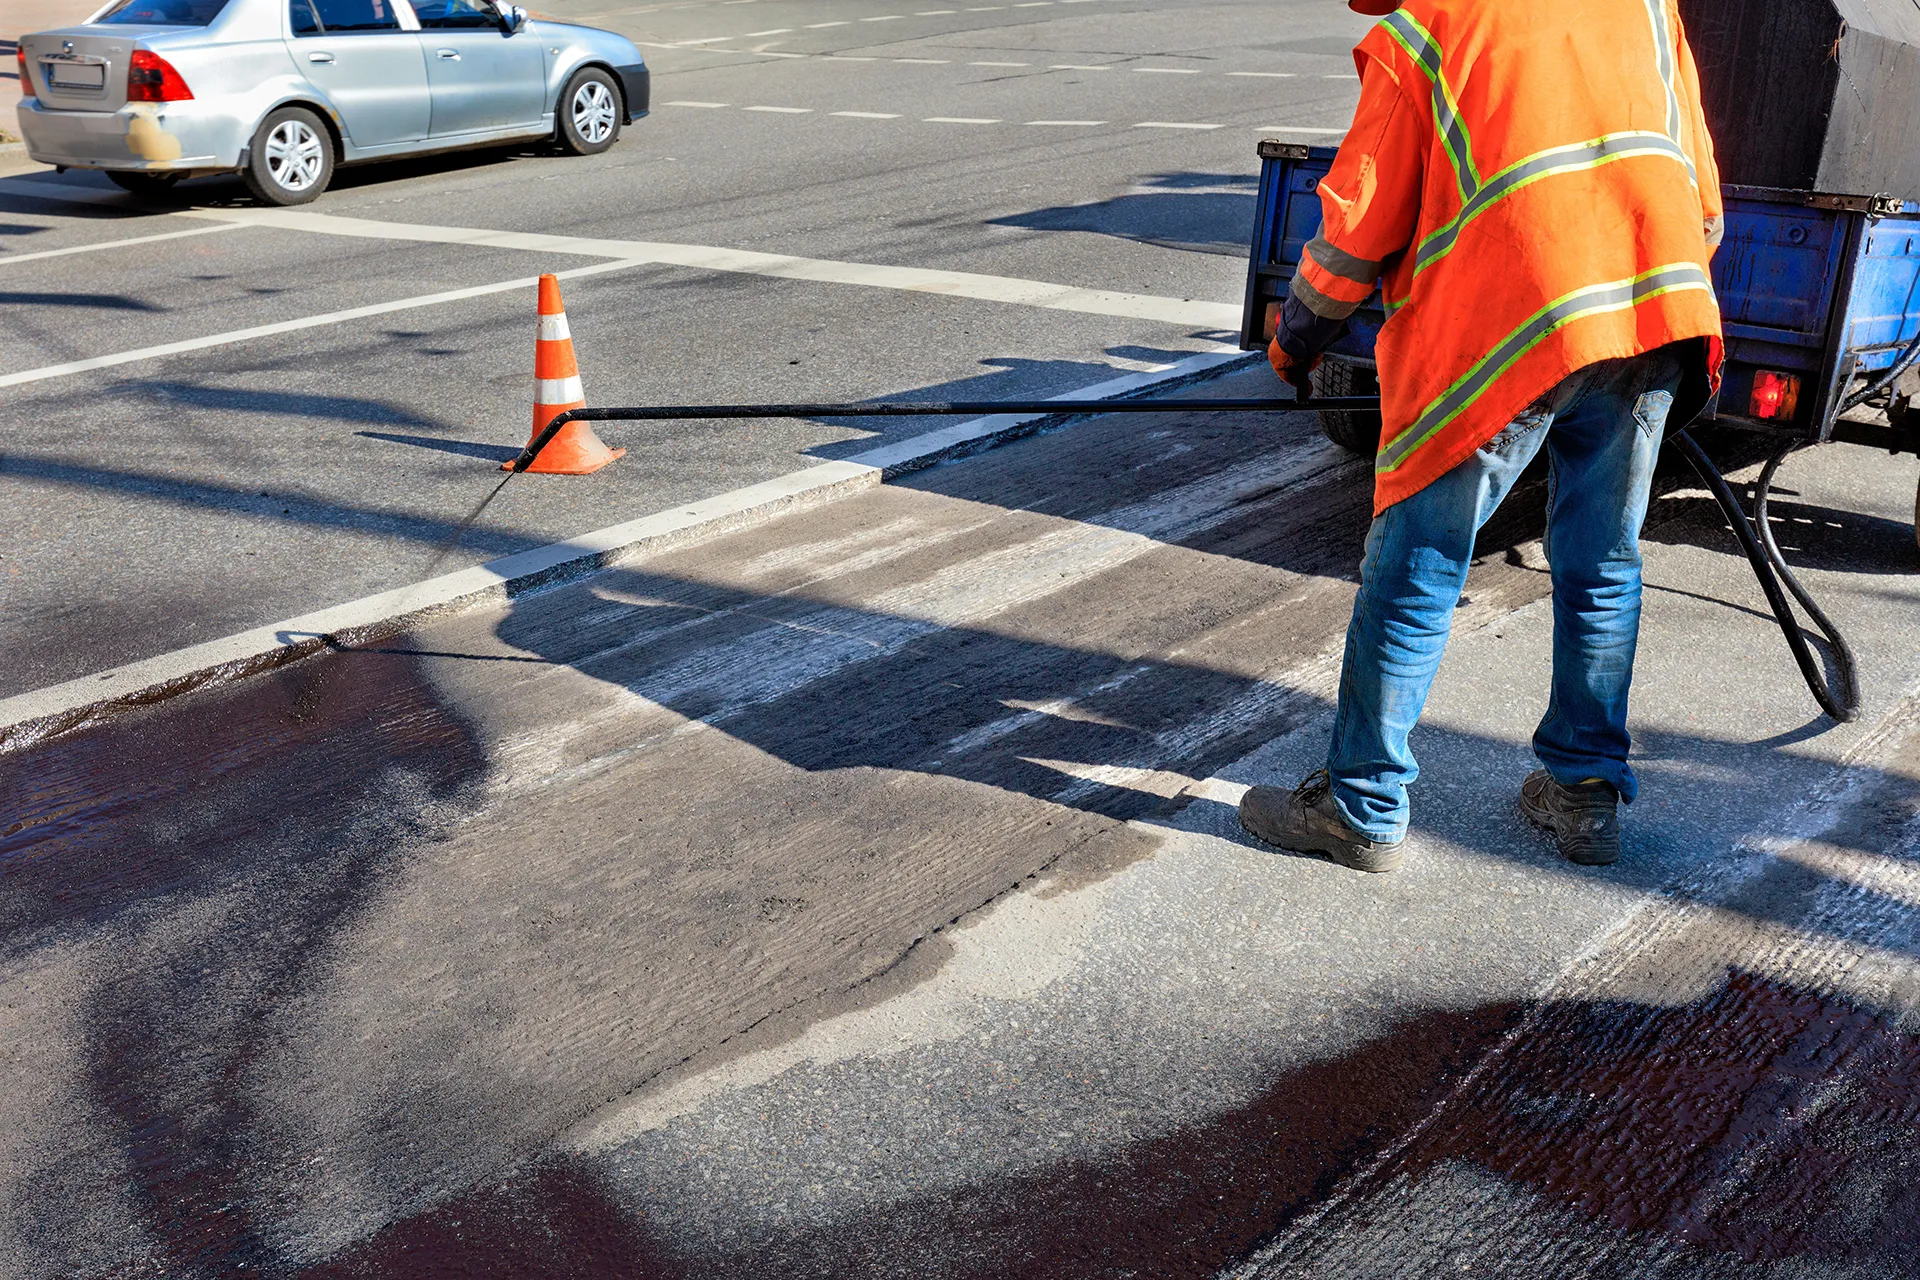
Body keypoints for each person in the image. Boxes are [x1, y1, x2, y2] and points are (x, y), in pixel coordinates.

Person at [1238, 0, 1725, 872]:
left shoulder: (1427, 27)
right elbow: (1706, 207)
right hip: (1656, 310)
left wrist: (1296, 337)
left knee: (1417, 565)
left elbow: (1356, 232)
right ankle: (1584, 795)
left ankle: (1360, 807)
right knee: (1602, 564)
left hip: (1509, 331)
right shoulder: (1646, 8)